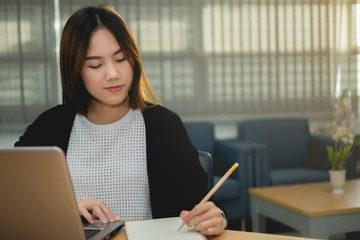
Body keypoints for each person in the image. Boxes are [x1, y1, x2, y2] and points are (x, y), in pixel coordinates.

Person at [15, 5, 227, 236]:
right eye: (95, 65)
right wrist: (65, 212)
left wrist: (216, 218)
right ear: (75, 70)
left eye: (121, 59)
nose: (113, 74)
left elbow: (206, 206)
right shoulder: (50, 125)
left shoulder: (163, 125)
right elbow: (15, 201)